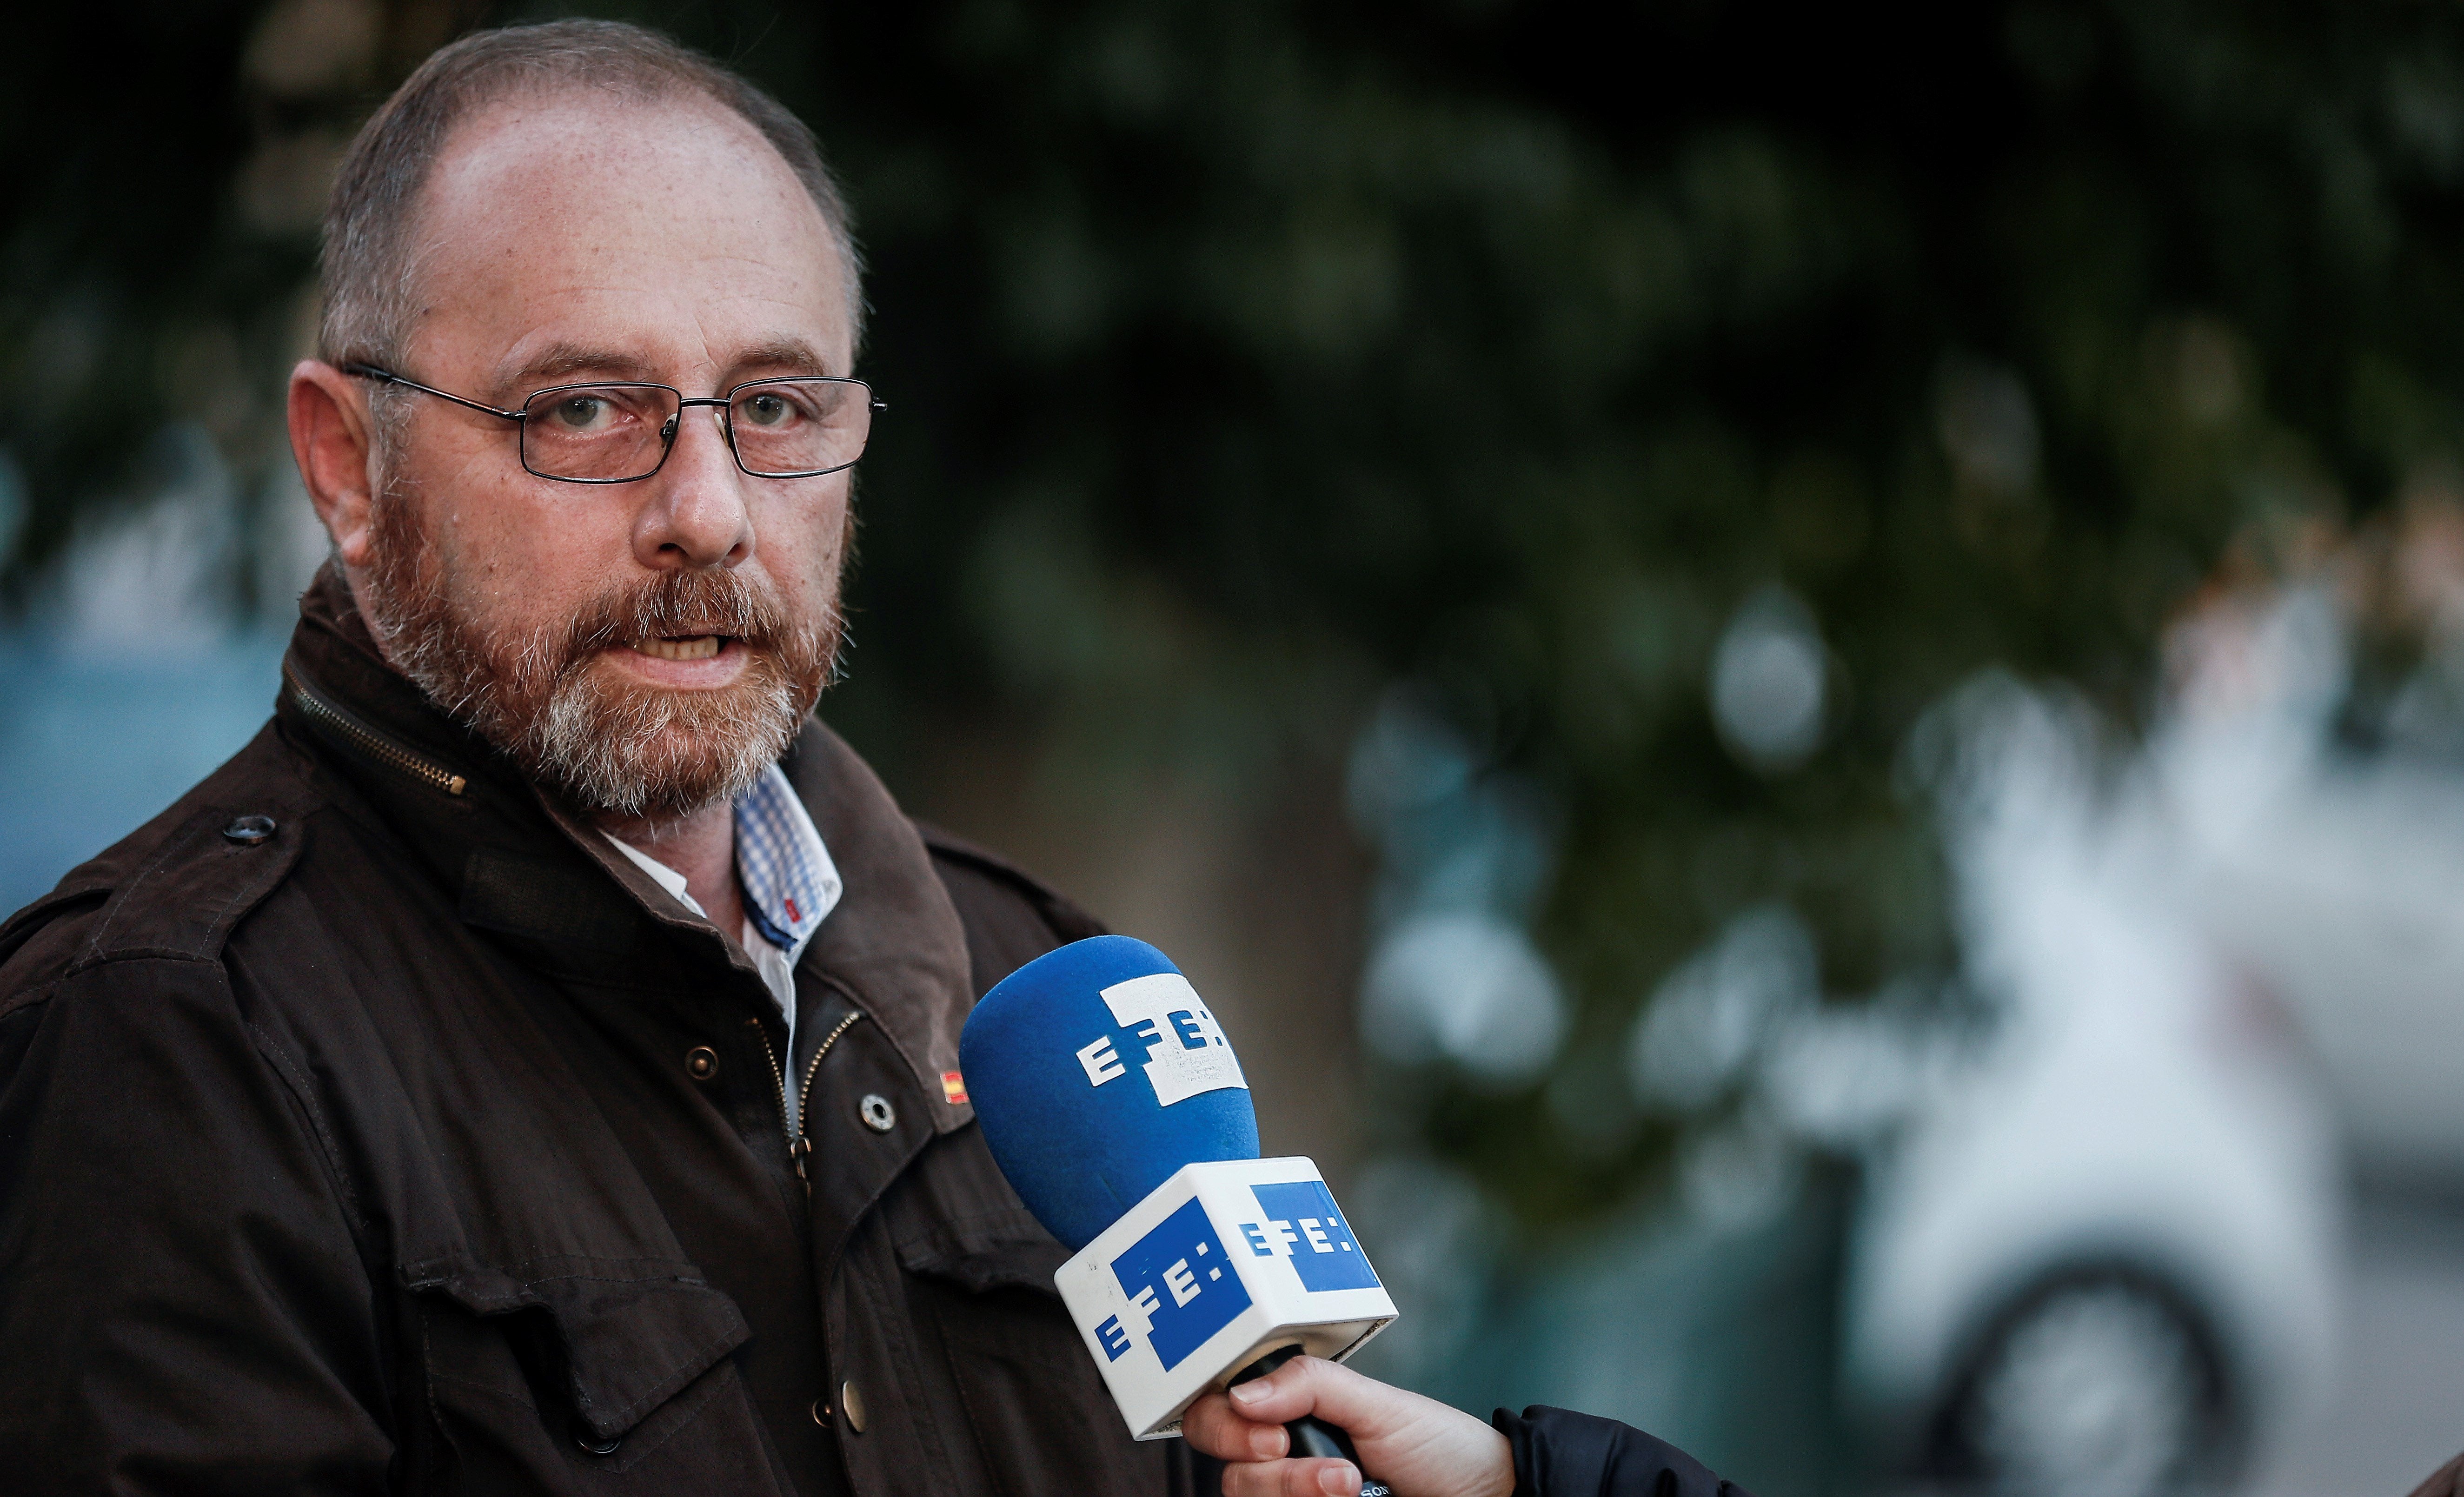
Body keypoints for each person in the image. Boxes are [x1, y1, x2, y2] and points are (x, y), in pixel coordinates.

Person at [0, 19, 1748, 1497]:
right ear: (347, 464)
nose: (705, 512)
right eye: (584, 411)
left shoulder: (1030, 975)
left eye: (773, 409)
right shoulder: (165, 1039)